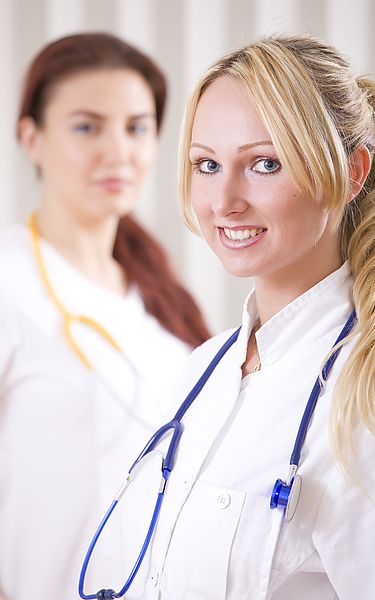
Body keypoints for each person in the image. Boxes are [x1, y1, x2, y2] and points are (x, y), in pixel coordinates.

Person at [114, 34, 375, 600]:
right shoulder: (200, 374)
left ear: (351, 173)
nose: (224, 201)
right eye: (207, 164)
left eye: (264, 163)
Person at [0, 33, 210, 600]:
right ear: (31, 138)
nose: (119, 151)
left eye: (137, 127)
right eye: (87, 126)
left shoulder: (166, 301)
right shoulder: (9, 282)